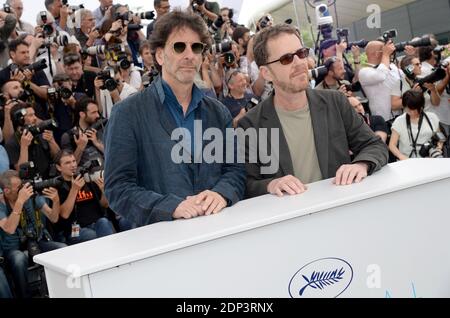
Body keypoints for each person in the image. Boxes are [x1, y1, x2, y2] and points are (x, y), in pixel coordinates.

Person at [104, 10, 246, 227]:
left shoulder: (218, 112)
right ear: (160, 56)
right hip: (161, 242)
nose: (189, 55)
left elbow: (234, 170)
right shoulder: (127, 113)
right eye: (179, 47)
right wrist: (170, 207)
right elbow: (118, 188)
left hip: (216, 230)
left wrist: (221, 193)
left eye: (196, 47)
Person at [237, 24, 388, 198]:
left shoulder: (335, 103)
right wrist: (271, 184)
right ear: (266, 73)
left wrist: (361, 165)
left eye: (301, 53)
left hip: (339, 208)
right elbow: (246, 183)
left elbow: (374, 145)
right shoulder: (251, 124)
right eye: (286, 58)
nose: (300, 63)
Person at [389, 90, 442, 160]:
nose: (413, 112)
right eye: (409, 110)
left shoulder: (432, 118)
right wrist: (401, 157)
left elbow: (440, 138)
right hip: (406, 161)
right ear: (404, 107)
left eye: (416, 109)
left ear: (421, 106)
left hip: (429, 160)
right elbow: (392, 145)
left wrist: (438, 148)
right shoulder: (399, 121)